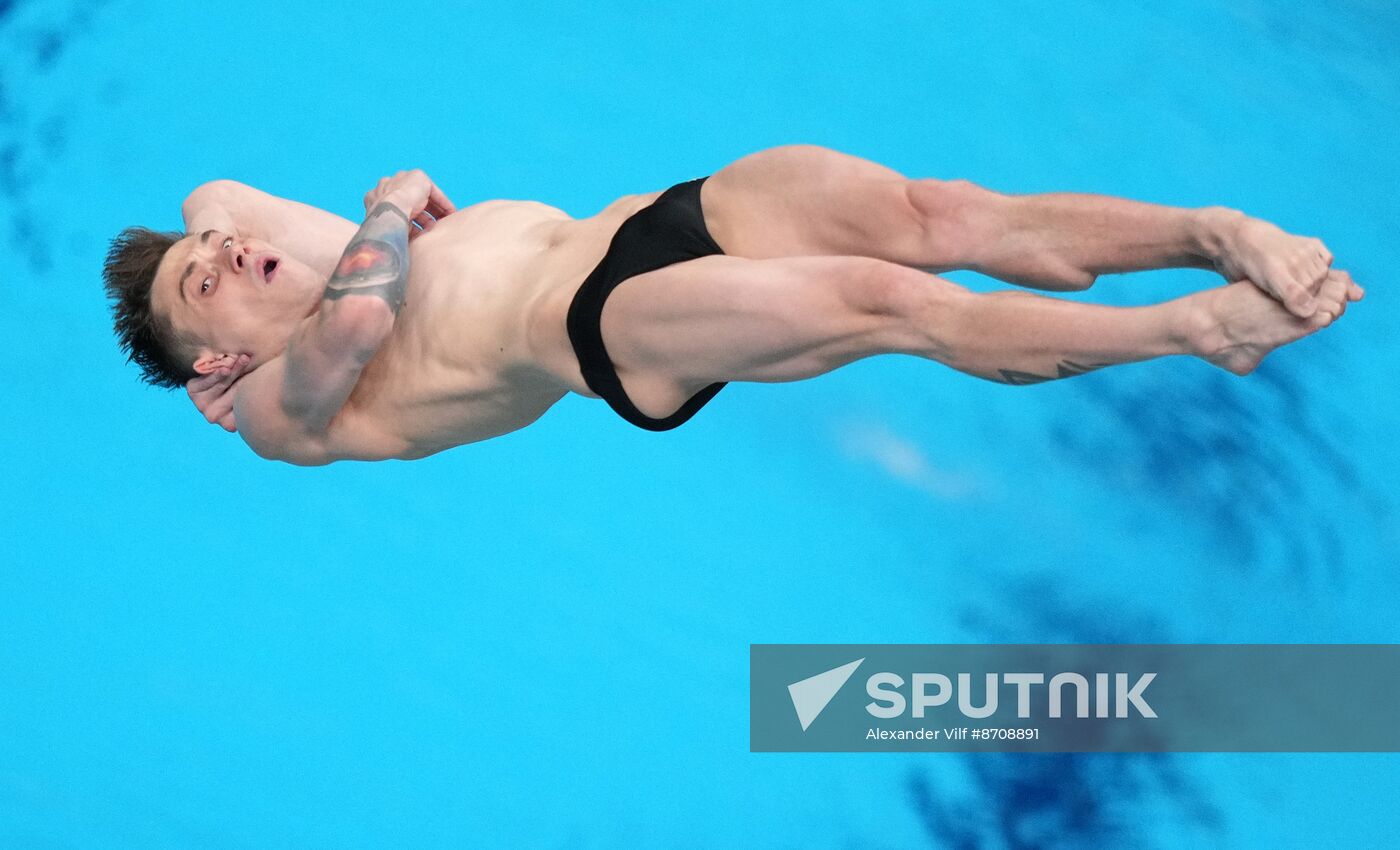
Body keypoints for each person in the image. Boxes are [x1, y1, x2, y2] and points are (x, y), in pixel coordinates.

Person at [102, 144, 1363, 466]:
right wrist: (391, 203)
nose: (227, 246)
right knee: (893, 301)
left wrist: (194, 246)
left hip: (637, 220)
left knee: (943, 216)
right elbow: (361, 324)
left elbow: (216, 192)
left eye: (220, 246)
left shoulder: (296, 260)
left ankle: (1210, 232)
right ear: (216, 360)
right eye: (206, 277)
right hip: (605, 335)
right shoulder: (274, 402)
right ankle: (1192, 331)